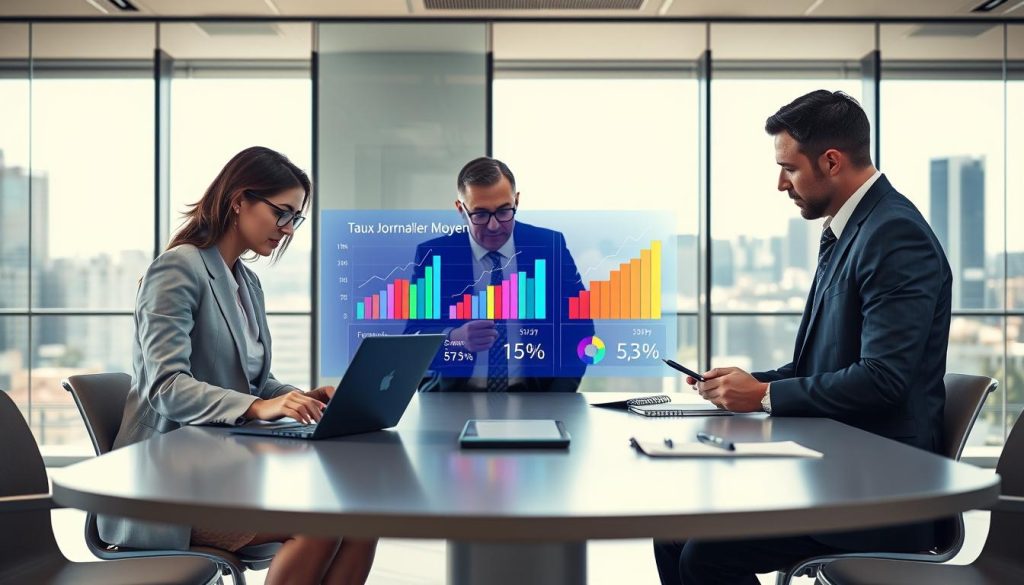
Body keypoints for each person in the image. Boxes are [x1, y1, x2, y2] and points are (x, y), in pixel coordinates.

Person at [654, 90, 952, 585]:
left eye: (788, 168)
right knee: (673, 528)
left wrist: (767, 395)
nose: (779, 183)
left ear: (831, 161)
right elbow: (822, 366)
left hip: (881, 493)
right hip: (837, 469)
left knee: (706, 554)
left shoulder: (894, 233)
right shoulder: (852, 229)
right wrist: (747, 384)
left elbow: (883, 379)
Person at [104, 146, 377, 585]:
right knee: (319, 526)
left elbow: (255, 379)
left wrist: (300, 398)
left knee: (362, 524)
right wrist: (255, 407)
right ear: (239, 201)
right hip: (167, 488)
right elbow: (166, 386)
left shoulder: (244, 280)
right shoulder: (178, 269)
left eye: (296, 218)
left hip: (221, 473)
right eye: (282, 213)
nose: (288, 229)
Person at [407, 156, 593, 392]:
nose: (494, 226)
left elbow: (579, 327)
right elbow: (413, 337)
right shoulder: (435, 255)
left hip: (535, 399)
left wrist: (558, 398)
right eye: (480, 214)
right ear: (460, 209)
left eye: (504, 211)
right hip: (453, 397)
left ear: (516, 200)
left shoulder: (550, 247)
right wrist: (454, 338)